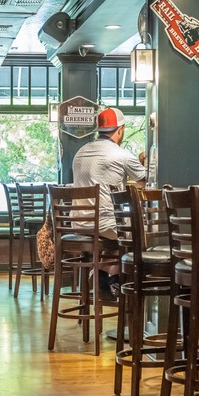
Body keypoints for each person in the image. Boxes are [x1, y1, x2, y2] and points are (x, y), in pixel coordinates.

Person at [72, 107, 146, 300]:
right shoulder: (120, 154)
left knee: (115, 235)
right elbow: (145, 181)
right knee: (139, 233)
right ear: (120, 130)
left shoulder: (80, 152)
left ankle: (102, 274)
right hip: (105, 224)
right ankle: (112, 276)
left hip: (78, 224)